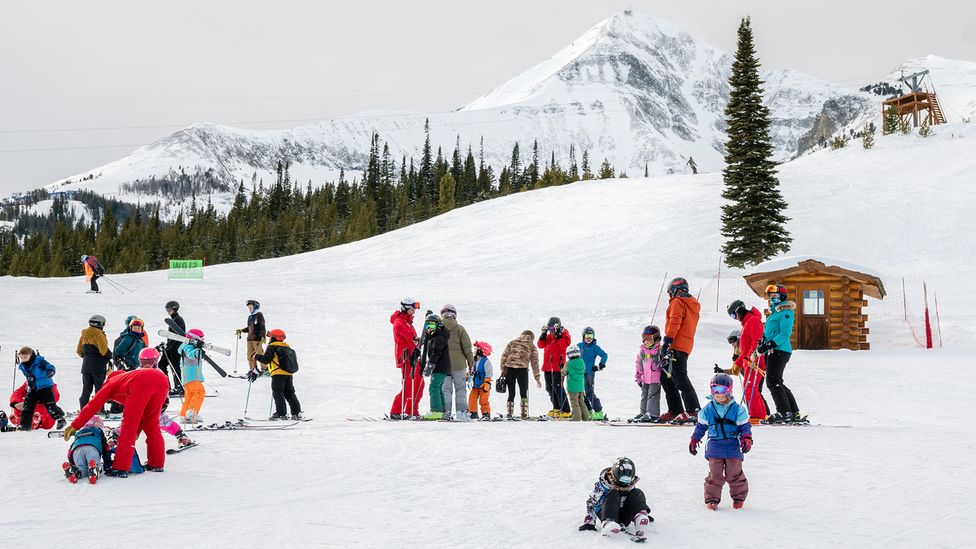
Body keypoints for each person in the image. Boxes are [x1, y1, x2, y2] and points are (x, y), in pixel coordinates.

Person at [63, 362, 170, 478]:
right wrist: (137, 432)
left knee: (128, 428)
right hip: (162, 381)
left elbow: (93, 405)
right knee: (152, 425)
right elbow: (141, 415)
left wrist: (75, 425)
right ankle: (156, 463)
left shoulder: (110, 383)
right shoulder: (126, 378)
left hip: (141, 383)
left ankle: (121, 467)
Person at [689, 373, 754, 510]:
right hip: (715, 446)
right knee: (715, 474)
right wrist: (695, 439)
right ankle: (712, 499)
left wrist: (746, 438)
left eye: (722, 390)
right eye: (715, 390)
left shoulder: (738, 409)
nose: (718, 394)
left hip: (732, 446)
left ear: (729, 391)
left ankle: (739, 496)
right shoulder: (707, 410)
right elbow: (701, 427)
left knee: (734, 473)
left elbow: (744, 426)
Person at [757, 285, 803, 423]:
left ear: (782, 297)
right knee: (776, 381)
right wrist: (763, 342)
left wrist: (769, 344)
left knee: (773, 382)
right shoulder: (774, 313)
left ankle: (784, 412)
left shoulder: (786, 312)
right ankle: (793, 412)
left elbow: (784, 334)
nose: (772, 299)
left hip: (780, 350)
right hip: (773, 350)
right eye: (771, 297)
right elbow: (770, 332)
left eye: (775, 296)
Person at [578, 457, 653, 541]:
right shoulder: (603, 486)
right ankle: (608, 523)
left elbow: (633, 501)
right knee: (614, 493)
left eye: (627, 480)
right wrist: (589, 523)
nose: (624, 483)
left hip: (623, 517)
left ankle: (640, 516)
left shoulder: (629, 485)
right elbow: (591, 502)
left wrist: (637, 512)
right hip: (605, 513)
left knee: (636, 492)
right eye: (623, 479)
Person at [660, 277, 701, 423]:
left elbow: (674, 321)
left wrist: (667, 342)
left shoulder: (678, 302)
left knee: (680, 378)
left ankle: (693, 410)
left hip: (676, 345)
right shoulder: (691, 304)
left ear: (673, 290)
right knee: (666, 377)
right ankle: (675, 409)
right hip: (683, 345)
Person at [721, 300, 770, 421]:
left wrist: (753, 357)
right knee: (750, 389)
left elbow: (756, 341)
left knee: (750, 389)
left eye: (733, 315)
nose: (735, 318)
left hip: (754, 362)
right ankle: (762, 415)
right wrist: (737, 364)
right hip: (749, 361)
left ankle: (757, 416)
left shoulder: (753, 320)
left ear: (739, 311)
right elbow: (744, 351)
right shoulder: (746, 323)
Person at [138, 348, 194, 448]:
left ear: (155, 361)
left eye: (150, 362)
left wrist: (164, 402)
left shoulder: (159, 374)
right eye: (143, 362)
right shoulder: (136, 373)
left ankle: (181, 436)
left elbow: (164, 389)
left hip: (155, 403)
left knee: (161, 420)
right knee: (133, 422)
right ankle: (116, 437)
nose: (146, 365)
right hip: (139, 404)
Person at [253, 328, 303, 420]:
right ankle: (296, 413)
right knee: (290, 393)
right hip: (288, 374)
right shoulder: (286, 347)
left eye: (270, 337)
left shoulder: (272, 347)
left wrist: (256, 356)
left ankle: (281, 414)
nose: (269, 339)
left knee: (278, 393)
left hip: (277, 374)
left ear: (274, 338)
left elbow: (266, 360)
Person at [16, 347, 66, 431]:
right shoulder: (24, 366)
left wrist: (51, 371)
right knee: (28, 405)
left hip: (44, 386)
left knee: (49, 405)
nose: (23, 359)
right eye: (21, 358)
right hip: (33, 388)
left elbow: (50, 366)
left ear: (31, 355)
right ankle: (25, 425)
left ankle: (60, 419)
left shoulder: (39, 361)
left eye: (25, 357)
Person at [390, 298, 424, 419]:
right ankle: (396, 411)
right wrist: (417, 342)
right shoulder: (399, 322)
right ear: (406, 308)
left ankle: (412, 411)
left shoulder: (408, 322)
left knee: (419, 385)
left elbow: (413, 340)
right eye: (412, 309)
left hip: (414, 357)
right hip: (407, 358)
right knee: (409, 386)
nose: (414, 311)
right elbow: (410, 340)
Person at [440, 304, 474, 421]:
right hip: (459, 365)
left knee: (446, 390)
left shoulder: (438, 329)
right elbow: (467, 349)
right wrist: (471, 364)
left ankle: (446, 413)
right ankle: (461, 413)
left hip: (443, 365)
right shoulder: (460, 329)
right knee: (460, 389)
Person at [498, 330, 542, 420]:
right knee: (523, 392)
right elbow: (535, 363)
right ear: (532, 338)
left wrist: (503, 370)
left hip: (509, 368)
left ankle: (509, 413)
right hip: (522, 370)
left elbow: (504, 356)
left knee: (511, 392)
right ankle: (524, 414)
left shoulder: (512, 342)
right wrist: (537, 378)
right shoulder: (532, 346)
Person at [77, 314, 112, 412]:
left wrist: (88, 357)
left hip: (86, 366)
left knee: (86, 389)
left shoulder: (84, 334)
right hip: (98, 366)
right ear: (100, 324)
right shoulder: (99, 334)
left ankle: (83, 410)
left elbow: (79, 351)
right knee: (99, 390)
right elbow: (104, 351)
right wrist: (111, 356)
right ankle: (99, 410)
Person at [538, 316, 571, 418]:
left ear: (558, 327)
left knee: (558, 388)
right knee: (549, 388)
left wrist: (559, 336)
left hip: (558, 366)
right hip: (548, 367)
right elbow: (540, 345)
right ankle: (556, 408)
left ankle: (565, 410)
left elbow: (565, 345)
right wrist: (543, 335)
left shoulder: (564, 335)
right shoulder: (549, 336)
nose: (551, 330)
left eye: (552, 328)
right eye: (549, 328)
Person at [421, 314, 451, 420]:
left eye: (432, 325)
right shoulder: (438, 336)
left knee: (433, 387)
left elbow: (437, 352)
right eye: (427, 325)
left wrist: (430, 364)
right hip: (442, 367)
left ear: (438, 325)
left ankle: (436, 411)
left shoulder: (439, 337)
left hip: (439, 367)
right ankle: (442, 411)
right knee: (438, 388)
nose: (429, 328)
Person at [62, 416, 110, 484]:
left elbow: (70, 451)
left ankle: (75, 471)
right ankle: (94, 470)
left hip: (77, 449)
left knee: (81, 467)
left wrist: (71, 462)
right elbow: (105, 447)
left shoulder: (79, 432)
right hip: (92, 447)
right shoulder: (99, 431)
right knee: (97, 464)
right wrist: (107, 462)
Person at [633, 325, 663, 423]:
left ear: (656, 338)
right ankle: (643, 413)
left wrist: (658, 355)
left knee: (652, 396)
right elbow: (638, 363)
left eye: (649, 338)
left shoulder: (659, 350)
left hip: (655, 379)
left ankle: (652, 414)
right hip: (645, 378)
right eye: (644, 338)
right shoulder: (643, 351)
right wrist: (638, 376)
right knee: (644, 395)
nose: (646, 341)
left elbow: (662, 363)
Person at [578, 327, 608, 420]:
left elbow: (604, 355)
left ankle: (599, 412)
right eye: (587, 336)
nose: (589, 338)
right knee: (580, 393)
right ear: (583, 336)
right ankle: (588, 411)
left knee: (589, 393)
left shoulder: (595, 347)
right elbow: (572, 354)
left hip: (589, 373)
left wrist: (601, 365)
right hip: (579, 373)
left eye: (591, 336)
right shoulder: (579, 346)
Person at [178, 328, 207, 423]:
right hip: (192, 376)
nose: (203, 340)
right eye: (201, 338)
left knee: (189, 396)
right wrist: (198, 350)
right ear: (194, 338)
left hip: (188, 377)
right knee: (199, 392)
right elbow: (191, 355)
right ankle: (191, 412)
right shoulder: (188, 347)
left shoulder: (186, 346)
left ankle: (184, 415)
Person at [162, 301, 186, 397]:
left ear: (175, 309)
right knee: (162, 365)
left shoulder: (178, 319)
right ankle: (167, 386)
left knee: (175, 366)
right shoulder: (174, 319)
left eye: (169, 309)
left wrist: (171, 346)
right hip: (170, 347)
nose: (168, 311)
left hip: (175, 347)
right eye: (167, 309)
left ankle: (179, 387)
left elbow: (178, 336)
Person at [236, 299, 266, 372]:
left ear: (255, 307)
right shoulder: (250, 317)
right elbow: (249, 328)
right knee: (249, 355)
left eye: (251, 307)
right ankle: (253, 370)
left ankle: (265, 369)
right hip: (249, 339)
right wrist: (241, 330)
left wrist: (263, 337)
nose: (249, 309)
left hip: (257, 339)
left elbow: (262, 327)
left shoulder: (259, 315)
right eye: (249, 307)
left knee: (259, 354)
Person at [562, 345, 589, 421]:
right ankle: (585, 417)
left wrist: (561, 369)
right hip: (580, 387)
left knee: (574, 403)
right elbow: (583, 369)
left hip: (572, 387)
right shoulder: (581, 361)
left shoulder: (569, 363)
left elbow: (563, 372)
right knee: (581, 402)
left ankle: (576, 417)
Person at [467, 341, 493, 420]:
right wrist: (468, 375)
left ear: (483, 351)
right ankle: (473, 413)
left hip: (483, 385)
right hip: (475, 385)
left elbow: (489, 373)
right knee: (472, 399)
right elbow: (471, 370)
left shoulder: (486, 362)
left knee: (483, 400)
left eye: (477, 348)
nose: (475, 350)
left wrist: (487, 382)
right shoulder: (474, 360)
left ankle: (486, 414)